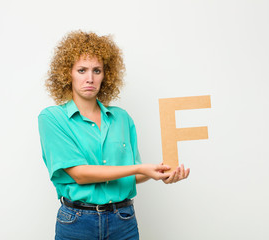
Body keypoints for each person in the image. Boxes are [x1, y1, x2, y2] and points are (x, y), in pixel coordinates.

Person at [38, 30, 190, 240]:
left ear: (106, 75)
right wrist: (140, 168)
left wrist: (159, 172)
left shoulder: (122, 118)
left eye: (97, 70)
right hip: (77, 222)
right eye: (82, 70)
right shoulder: (53, 118)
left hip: (123, 221)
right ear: (68, 74)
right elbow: (79, 174)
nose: (90, 78)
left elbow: (133, 173)